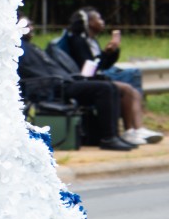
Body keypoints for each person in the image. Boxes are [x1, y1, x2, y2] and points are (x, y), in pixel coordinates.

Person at [17, 16, 134, 151]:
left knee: (111, 86)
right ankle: (109, 138)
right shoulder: (19, 49)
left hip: (61, 83)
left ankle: (112, 136)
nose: (32, 28)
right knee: (105, 89)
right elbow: (33, 75)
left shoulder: (31, 47)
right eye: (28, 25)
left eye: (31, 25)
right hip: (53, 87)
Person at [55, 10, 159, 145]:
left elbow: (103, 64)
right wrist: (105, 53)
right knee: (127, 89)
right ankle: (129, 131)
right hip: (87, 80)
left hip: (97, 76)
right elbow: (89, 68)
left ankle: (137, 129)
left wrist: (112, 51)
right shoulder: (78, 41)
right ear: (89, 23)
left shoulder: (91, 40)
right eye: (99, 19)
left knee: (133, 86)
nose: (102, 22)